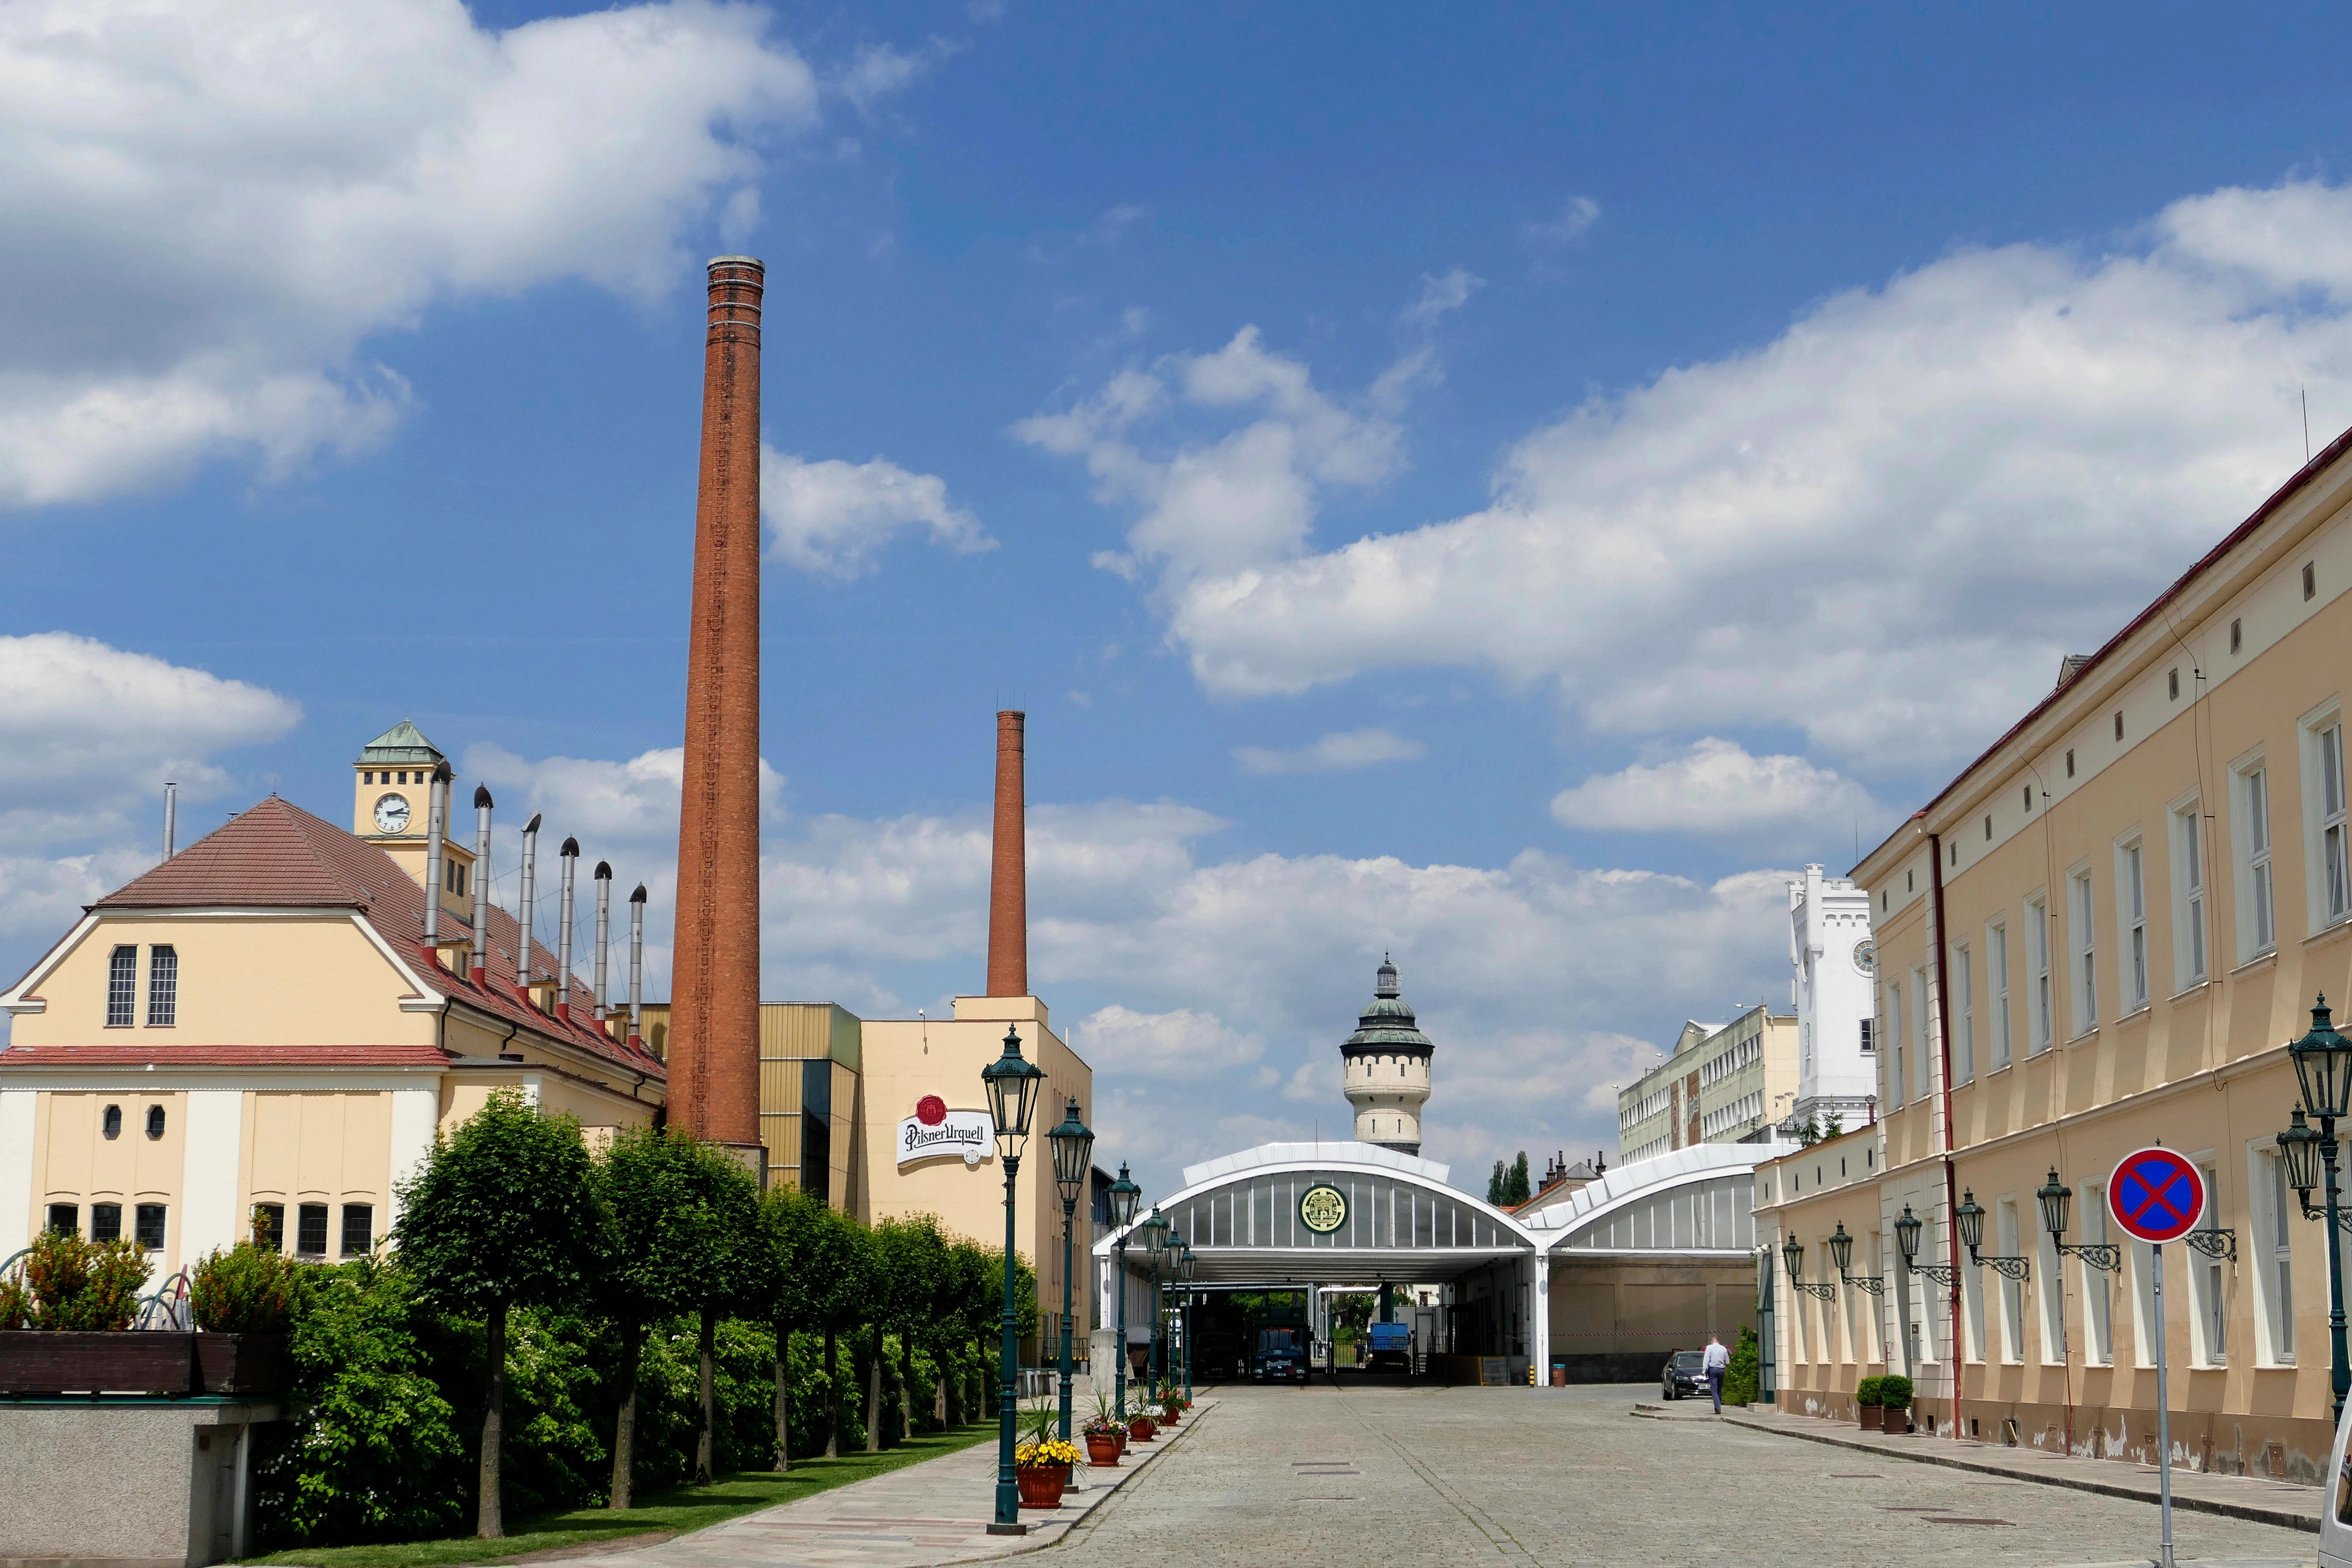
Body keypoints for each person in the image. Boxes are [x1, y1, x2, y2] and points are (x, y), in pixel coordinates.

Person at [1701, 1334, 1731, 1412]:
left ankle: (1718, 1408)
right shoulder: (1724, 1349)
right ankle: (1718, 1406)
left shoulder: (1709, 1348)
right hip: (1722, 1370)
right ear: (1718, 1341)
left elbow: (1706, 1360)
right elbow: (1727, 1361)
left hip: (1713, 1370)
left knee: (1714, 1390)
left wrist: (1704, 1371)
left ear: (1712, 1342)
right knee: (1719, 1390)